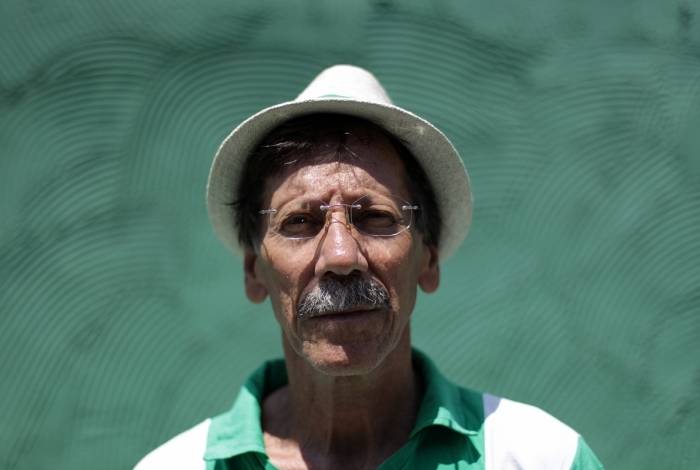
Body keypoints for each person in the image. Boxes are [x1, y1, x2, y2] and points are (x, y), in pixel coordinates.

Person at [135, 65, 604, 469]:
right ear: (253, 271)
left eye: (377, 218)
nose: (341, 257)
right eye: (299, 222)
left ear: (429, 259)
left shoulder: (543, 458)